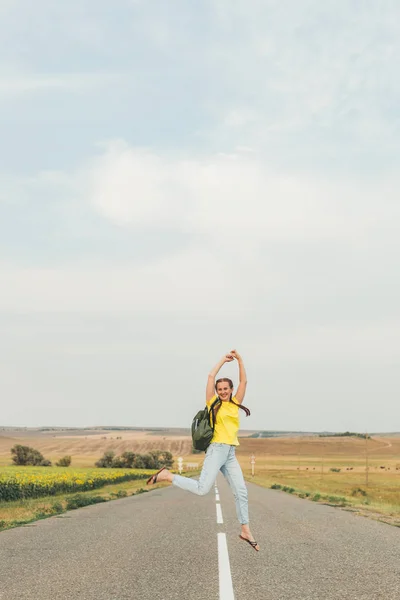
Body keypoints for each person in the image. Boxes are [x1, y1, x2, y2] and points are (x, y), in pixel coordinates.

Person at [147, 349, 259, 551]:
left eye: (226, 388)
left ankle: (245, 530)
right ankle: (167, 476)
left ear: (231, 389)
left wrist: (240, 361)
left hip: (230, 453)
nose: (223, 391)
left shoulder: (235, 403)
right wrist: (223, 361)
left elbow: (244, 382)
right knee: (202, 489)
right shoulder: (212, 404)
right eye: (220, 389)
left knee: (241, 491)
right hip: (216, 450)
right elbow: (210, 376)